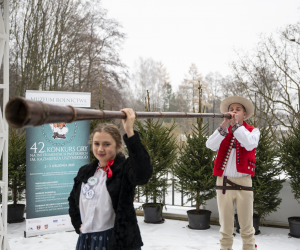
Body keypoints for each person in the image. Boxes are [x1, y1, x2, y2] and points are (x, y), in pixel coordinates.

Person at [68, 108, 153, 250]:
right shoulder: (85, 171)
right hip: (87, 239)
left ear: (118, 146)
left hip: (117, 240)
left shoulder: (124, 169)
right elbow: (73, 200)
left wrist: (130, 132)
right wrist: (78, 224)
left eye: (106, 144)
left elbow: (143, 174)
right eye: (96, 143)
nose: (100, 149)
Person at [206, 96, 260, 250]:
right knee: (225, 227)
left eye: (238, 109)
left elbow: (249, 144)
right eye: (231, 109)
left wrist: (236, 126)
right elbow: (210, 145)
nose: (234, 112)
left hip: (244, 183)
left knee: (247, 227)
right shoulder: (224, 131)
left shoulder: (253, 131)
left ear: (244, 114)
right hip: (223, 183)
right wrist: (224, 126)